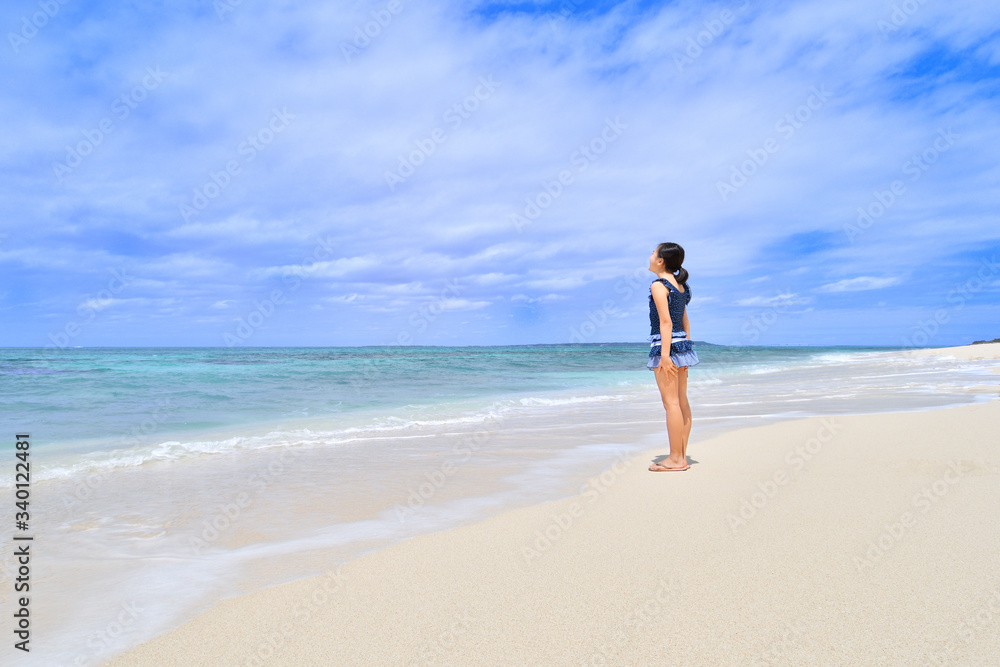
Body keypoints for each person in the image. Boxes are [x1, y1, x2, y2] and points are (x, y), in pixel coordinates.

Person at [646, 242, 699, 471]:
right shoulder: (681, 286)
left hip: (666, 347)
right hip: (682, 347)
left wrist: (665, 356)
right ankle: (681, 456)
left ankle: (676, 459)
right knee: (681, 402)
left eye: (653, 252)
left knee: (671, 404)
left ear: (660, 261)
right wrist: (684, 351)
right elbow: (685, 322)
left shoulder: (659, 285)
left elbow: (666, 323)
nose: (650, 256)